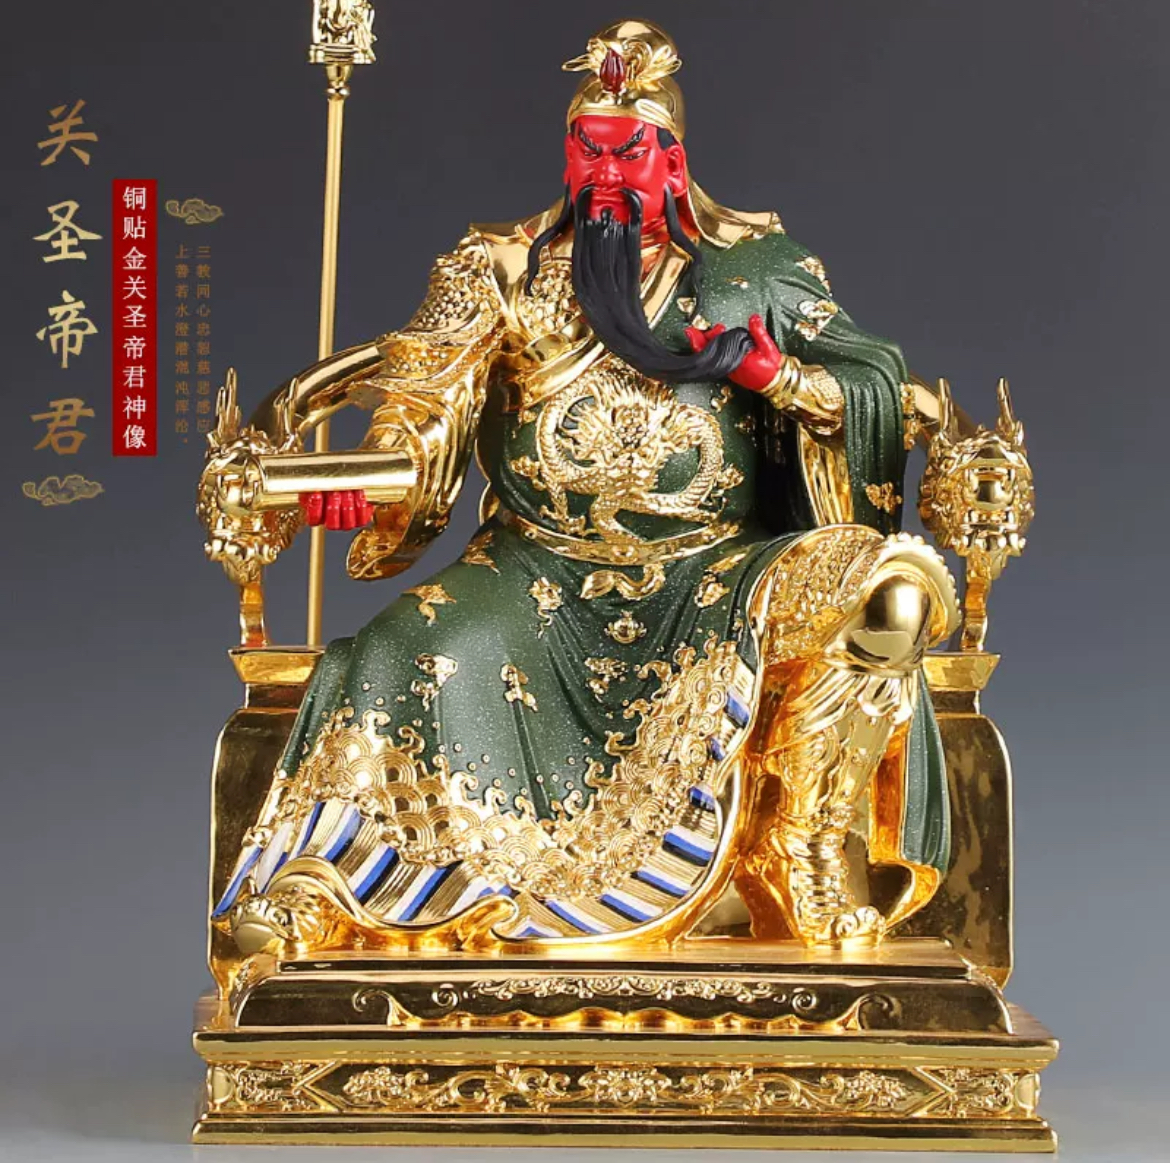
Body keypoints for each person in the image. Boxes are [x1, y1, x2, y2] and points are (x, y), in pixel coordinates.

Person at [204, 19, 959, 955]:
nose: (605, 173)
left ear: (673, 163)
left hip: (723, 575)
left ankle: (792, 851)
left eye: (628, 153)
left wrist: (777, 377)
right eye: (586, 151)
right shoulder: (496, 271)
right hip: (534, 577)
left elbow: (878, 384)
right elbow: (422, 405)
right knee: (392, 653)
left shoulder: (756, 272)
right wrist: (370, 482)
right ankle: (325, 889)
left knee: (891, 594)